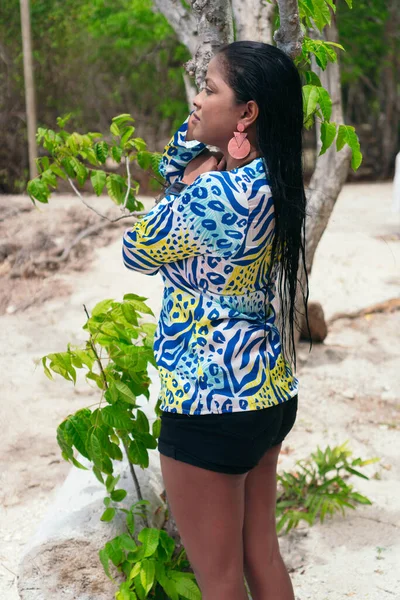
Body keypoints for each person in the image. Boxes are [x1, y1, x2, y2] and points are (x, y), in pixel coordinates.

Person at [123, 41, 310, 600]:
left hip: (209, 401)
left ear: (247, 113)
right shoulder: (273, 179)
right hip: (268, 390)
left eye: (209, 89)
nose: (196, 101)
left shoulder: (213, 194)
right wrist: (194, 159)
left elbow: (136, 250)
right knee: (263, 557)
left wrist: (186, 179)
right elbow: (174, 168)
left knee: (220, 582)